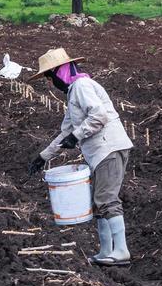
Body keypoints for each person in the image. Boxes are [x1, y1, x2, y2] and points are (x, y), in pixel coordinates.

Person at [27, 47, 135, 267]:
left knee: (106, 199)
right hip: (100, 153)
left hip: (109, 148)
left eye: (50, 77)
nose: (50, 83)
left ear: (60, 72)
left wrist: (77, 137)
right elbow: (66, 131)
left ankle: (121, 250)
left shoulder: (82, 86)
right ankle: (106, 250)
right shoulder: (73, 93)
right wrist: (43, 156)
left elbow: (99, 115)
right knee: (99, 201)